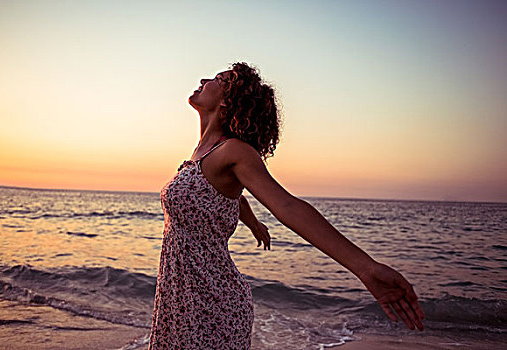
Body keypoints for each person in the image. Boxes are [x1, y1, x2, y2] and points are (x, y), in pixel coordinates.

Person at [148, 62, 425, 350]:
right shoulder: (201, 155)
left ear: (227, 100)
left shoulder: (234, 151)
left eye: (218, 79)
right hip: (180, 297)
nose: (204, 79)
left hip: (212, 302)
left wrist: (366, 268)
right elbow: (225, 196)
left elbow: (288, 206)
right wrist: (254, 224)